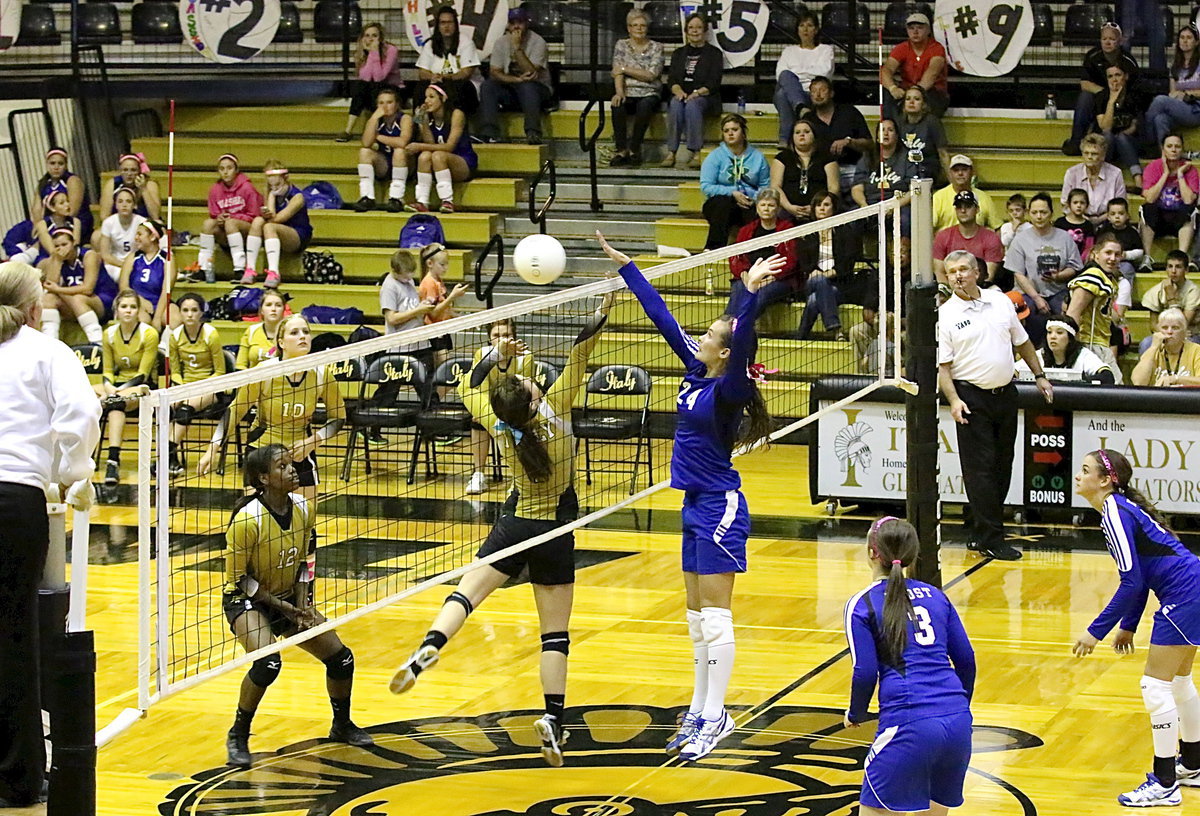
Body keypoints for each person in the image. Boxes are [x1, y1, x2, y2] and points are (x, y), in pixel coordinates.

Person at [389, 284, 615, 769]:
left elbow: (473, 382)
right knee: (555, 635)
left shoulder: (498, 425)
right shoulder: (556, 410)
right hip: (554, 531)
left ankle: (429, 647)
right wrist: (602, 308)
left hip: (513, 524)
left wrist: (496, 354)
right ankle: (554, 720)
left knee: (466, 594)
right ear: (535, 398)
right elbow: (581, 349)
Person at [599, 231, 784, 762]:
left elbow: (743, 341)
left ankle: (716, 714)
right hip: (692, 504)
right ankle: (702, 709)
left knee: (717, 617)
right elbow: (661, 318)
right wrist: (629, 266)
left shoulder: (729, 389)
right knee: (696, 618)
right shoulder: (694, 372)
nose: (697, 336)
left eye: (709, 334)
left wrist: (747, 295)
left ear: (725, 352)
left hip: (721, 504)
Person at [0, 260, 99, 807]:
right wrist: (74, 474)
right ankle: (17, 780)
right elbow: (81, 412)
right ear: (36, 307)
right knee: (15, 637)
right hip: (16, 500)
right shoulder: (46, 350)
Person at [221, 444, 374, 769]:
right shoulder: (248, 520)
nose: (292, 470)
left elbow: (307, 558)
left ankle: (341, 725)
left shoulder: (303, 507)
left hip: (291, 597)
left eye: (291, 464)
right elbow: (238, 580)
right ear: (264, 478)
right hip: (247, 599)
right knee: (268, 665)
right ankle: (238, 734)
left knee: (341, 659)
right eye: (282, 466)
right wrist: (287, 608)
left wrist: (303, 602)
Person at [1072, 448, 1200, 807]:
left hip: (1185, 595)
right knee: (1178, 681)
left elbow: (1130, 582)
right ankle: (1192, 763)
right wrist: (1128, 625)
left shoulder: (1114, 511)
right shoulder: (1117, 510)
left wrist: (1095, 631)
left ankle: (1164, 783)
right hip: (1193, 588)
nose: (1078, 476)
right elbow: (1140, 577)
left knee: (1154, 686)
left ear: (1105, 480)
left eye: (1085, 470)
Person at [843, 517, 975, 816]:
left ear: (872, 553)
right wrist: (957, 708)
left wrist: (855, 713)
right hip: (957, 724)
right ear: (914, 553)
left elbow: (864, 671)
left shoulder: (862, 603)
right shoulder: (937, 597)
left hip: (909, 722)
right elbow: (966, 660)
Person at [938, 250, 1053, 561]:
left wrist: (1039, 375)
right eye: (951, 272)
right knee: (980, 471)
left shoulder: (1000, 300)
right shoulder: (946, 314)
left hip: (1006, 394)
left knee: (1003, 467)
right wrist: (954, 400)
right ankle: (991, 538)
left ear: (978, 272)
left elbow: (1023, 341)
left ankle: (977, 529)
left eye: (963, 269)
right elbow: (943, 368)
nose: (958, 276)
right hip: (970, 398)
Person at [198, 314, 345, 505]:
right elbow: (235, 411)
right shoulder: (265, 371)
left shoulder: (321, 373)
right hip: (263, 453)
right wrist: (212, 449)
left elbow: (339, 418)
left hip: (300, 453)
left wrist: (313, 441)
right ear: (281, 342)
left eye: (306, 332)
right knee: (259, 521)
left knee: (305, 526)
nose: (303, 336)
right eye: (295, 332)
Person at [464, 318, 534, 496]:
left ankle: (517, 479)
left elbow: (523, 392)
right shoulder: (483, 354)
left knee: (517, 425)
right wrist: (485, 413)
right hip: (491, 408)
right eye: (496, 335)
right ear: (489, 338)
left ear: (514, 337)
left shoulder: (525, 356)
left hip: (516, 408)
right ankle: (479, 474)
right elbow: (479, 387)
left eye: (507, 335)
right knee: (477, 421)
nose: (502, 340)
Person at [98, 289, 158, 485]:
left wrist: (116, 392)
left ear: (139, 311)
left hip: (141, 387)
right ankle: (84, 454)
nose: (128, 311)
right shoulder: (109, 334)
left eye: (133, 307)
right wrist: (109, 388)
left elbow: (143, 374)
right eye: (124, 307)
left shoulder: (148, 334)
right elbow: (107, 370)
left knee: (116, 403)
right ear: (116, 310)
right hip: (115, 387)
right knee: (85, 394)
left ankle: (112, 461)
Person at [1007, 193, 1083, 345]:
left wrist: (1058, 276)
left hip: (1058, 290)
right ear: (1029, 213)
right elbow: (1019, 274)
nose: (1039, 216)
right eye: (1034, 213)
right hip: (1028, 292)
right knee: (1028, 311)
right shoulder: (1020, 239)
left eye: (1043, 212)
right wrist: (1036, 298)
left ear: (1051, 214)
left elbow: (1074, 267)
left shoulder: (1065, 237)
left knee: (1068, 313)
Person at [167, 293, 227, 477]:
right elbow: (175, 371)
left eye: (194, 310)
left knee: (185, 409)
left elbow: (220, 371)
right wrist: (183, 388)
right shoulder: (175, 336)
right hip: (186, 386)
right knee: (168, 408)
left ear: (201, 312)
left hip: (211, 388)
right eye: (185, 310)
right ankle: (172, 458)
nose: (190, 315)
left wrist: (200, 387)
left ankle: (166, 457)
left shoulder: (210, 334)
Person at [477, 7, 553, 146]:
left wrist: (517, 48)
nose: (516, 26)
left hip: (538, 89)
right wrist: (517, 79)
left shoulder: (538, 41)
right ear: (508, 25)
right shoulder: (501, 42)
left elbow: (531, 73)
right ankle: (489, 133)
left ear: (527, 23)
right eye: (513, 22)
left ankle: (533, 132)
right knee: (488, 86)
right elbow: (495, 72)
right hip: (512, 88)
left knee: (527, 87)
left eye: (520, 22)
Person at [795, 192, 862, 340]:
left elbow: (848, 264)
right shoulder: (806, 232)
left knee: (814, 300)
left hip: (840, 284)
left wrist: (828, 274)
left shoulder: (845, 231)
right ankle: (835, 328)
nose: (822, 209)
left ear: (834, 208)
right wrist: (816, 273)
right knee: (819, 282)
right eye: (818, 205)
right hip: (811, 281)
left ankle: (801, 336)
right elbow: (803, 263)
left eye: (826, 205)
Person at [1065, 22, 1138, 156]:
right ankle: (1077, 141)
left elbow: (1134, 87)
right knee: (1085, 97)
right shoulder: (1092, 56)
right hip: (1099, 95)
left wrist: (1118, 95)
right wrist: (1107, 94)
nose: (1107, 42)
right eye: (1104, 39)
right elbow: (1085, 84)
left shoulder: (1128, 61)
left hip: (1123, 98)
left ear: (1120, 41)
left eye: (1112, 39)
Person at [662, 13, 723, 169]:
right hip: (682, 95)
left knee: (692, 105)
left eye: (698, 28)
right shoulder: (678, 54)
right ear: (686, 31)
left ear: (705, 31)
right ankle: (672, 152)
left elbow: (714, 83)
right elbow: (672, 80)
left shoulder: (714, 54)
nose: (695, 31)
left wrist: (697, 93)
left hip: (705, 96)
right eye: (691, 28)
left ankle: (696, 151)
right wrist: (678, 91)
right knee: (675, 104)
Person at [703, 114, 772, 250]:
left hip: (749, 202)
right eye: (726, 131)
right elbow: (706, 186)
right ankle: (713, 249)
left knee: (757, 211)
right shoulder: (715, 156)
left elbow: (765, 185)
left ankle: (754, 252)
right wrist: (732, 193)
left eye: (734, 129)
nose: (730, 133)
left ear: (744, 133)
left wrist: (754, 198)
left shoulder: (758, 157)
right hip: (720, 203)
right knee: (724, 205)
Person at [405, 84, 477, 214]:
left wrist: (419, 146)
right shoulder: (429, 116)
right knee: (424, 156)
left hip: (463, 162)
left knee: (438, 155)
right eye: (426, 97)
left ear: (443, 98)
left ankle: (447, 200)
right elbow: (430, 143)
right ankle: (422, 201)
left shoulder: (456, 114)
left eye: (431, 97)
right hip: (439, 163)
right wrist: (424, 123)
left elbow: (449, 146)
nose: (427, 101)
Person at [38, 226, 116, 344]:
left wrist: (58, 289)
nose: (61, 249)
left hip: (103, 300)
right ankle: (51, 343)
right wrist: (57, 261)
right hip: (75, 302)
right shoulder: (57, 258)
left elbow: (88, 289)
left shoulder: (89, 255)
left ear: (74, 242)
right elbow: (50, 285)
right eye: (57, 246)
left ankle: (97, 343)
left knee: (78, 299)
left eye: (64, 244)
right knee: (48, 299)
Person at [727, 188, 799, 315]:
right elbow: (735, 258)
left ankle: (739, 328)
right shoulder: (746, 230)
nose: (766, 209)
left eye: (771, 205)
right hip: (748, 277)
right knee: (738, 290)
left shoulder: (787, 229)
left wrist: (767, 279)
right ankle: (727, 329)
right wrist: (745, 276)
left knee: (759, 296)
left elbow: (791, 261)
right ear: (757, 207)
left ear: (777, 209)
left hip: (777, 279)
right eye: (763, 205)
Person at [193, 154, 262, 285]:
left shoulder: (247, 188)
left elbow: (254, 215)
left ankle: (240, 269)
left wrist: (233, 217)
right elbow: (213, 214)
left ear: (236, 170)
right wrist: (219, 218)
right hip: (227, 229)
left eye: (229, 168)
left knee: (231, 223)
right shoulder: (215, 190)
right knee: (207, 224)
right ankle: (204, 268)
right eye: (222, 168)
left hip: (247, 229)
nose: (225, 172)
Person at [609, 9, 663, 168]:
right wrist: (619, 92)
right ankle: (621, 150)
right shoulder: (621, 45)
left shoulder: (656, 47)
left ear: (647, 28)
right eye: (635, 25)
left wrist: (626, 69)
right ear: (629, 28)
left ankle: (634, 149)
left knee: (645, 106)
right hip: (626, 90)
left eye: (643, 25)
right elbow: (616, 72)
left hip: (649, 91)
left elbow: (651, 75)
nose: (639, 28)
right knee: (617, 104)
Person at [243, 160, 311, 288]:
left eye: (278, 185)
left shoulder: (297, 197)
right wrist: (270, 196)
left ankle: (274, 272)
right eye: (271, 186)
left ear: (286, 178)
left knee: (269, 226)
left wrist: (271, 198)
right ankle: (250, 269)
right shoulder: (269, 192)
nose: (274, 189)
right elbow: (269, 217)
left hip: (297, 234)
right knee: (257, 221)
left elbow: (277, 219)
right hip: (276, 231)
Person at [1066, 232, 1124, 382]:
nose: (1113, 258)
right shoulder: (1093, 276)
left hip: (1101, 343)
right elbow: (1072, 313)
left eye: (1117, 254)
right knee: (1115, 392)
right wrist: (1071, 346)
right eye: (1108, 253)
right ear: (1095, 254)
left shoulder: (1107, 277)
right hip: (1089, 344)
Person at [800, 76, 871, 199]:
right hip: (822, 172)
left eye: (822, 90)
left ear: (831, 93)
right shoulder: (808, 119)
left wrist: (849, 142)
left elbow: (870, 144)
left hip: (852, 168)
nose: (818, 94)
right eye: (813, 91)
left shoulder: (850, 112)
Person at [774, 13, 835, 147]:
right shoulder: (789, 51)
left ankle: (785, 139)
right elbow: (780, 74)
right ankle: (800, 107)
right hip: (794, 90)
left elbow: (823, 73)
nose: (805, 29)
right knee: (785, 76)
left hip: (812, 93)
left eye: (809, 25)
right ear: (797, 30)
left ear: (816, 29)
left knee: (782, 94)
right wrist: (807, 73)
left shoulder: (825, 50)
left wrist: (796, 74)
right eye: (802, 26)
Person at [337, 22, 404, 143]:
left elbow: (380, 77)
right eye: (367, 36)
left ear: (380, 38)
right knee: (361, 86)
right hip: (371, 89)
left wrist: (374, 53)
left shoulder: (391, 50)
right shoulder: (361, 53)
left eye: (374, 35)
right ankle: (348, 130)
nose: (370, 39)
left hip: (392, 89)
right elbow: (365, 77)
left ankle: (376, 129)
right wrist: (369, 55)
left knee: (373, 85)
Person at [354, 87, 414, 213]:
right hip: (385, 163)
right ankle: (367, 197)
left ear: (397, 104)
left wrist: (378, 137)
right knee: (365, 152)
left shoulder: (404, 118)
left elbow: (402, 142)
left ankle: (396, 198)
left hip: (406, 163)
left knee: (399, 151)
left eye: (389, 102)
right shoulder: (376, 120)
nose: (385, 106)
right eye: (381, 103)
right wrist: (373, 119)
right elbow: (366, 143)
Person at [850, 118, 915, 235]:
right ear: (877, 136)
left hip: (898, 204)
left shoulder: (907, 158)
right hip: (870, 204)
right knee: (852, 219)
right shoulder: (867, 157)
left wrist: (893, 206)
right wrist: (864, 205)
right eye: (882, 130)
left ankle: (904, 252)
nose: (885, 133)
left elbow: (912, 190)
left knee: (907, 219)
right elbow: (857, 188)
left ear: (897, 135)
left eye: (890, 130)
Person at [879, 12, 948, 120]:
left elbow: (932, 72)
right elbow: (886, 70)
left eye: (920, 28)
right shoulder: (901, 48)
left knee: (931, 100)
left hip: (931, 92)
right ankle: (891, 127)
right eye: (911, 28)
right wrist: (893, 88)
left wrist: (917, 91)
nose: (915, 31)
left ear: (928, 30)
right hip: (907, 90)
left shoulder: (936, 48)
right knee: (887, 94)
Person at [1141, 133, 1198, 259]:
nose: (1173, 149)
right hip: (1158, 219)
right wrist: (1165, 174)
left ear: (1182, 149)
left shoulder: (1190, 170)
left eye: (1177, 146)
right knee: (1146, 208)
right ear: (1163, 149)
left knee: (1190, 210)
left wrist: (1180, 175)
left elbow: (1189, 200)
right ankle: (1147, 257)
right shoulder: (1153, 167)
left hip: (1179, 219)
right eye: (1169, 146)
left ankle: (1181, 257)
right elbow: (1149, 198)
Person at [416, 5, 482, 115]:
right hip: (437, 83)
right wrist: (433, 77)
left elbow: (466, 73)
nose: (446, 26)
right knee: (420, 88)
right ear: (438, 25)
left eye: (450, 22)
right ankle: (419, 124)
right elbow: (422, 72)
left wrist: (446, 77)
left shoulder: (466, 42)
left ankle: (456, 127)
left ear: (455, 24)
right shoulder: (430, 44)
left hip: (462, 84)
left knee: (456, 89)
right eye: (443, 23)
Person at [418, 242, 470, 379]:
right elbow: (433, 312)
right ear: (430, 263)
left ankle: (434, 400)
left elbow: (442, 308)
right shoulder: (429, 283)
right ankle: (434, 400)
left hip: (442, 330)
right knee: (446, 372)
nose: (446, 268)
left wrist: (456, 316)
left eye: (447, 264)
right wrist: (452, 296)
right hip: (434, 334)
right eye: (442, 264)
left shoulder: (438, 281)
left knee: (444, 373)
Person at [1014, 313, 1115, 384]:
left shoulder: (1083, 355)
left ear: (1070, 338)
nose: (1052, 337)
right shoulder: (1040, 354)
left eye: (1059, 332)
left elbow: (1107, 376)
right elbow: (1013, 372)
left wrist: (1080, 381)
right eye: (1049, 332)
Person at [771, 119, 838, 224]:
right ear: (792, 137)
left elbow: (833, 188)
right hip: (787, 209)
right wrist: (789, 207)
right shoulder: (782, 158)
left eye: (806, 132)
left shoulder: (827, 158)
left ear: (815, 136)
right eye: (797, 132)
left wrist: (814, 207)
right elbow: (775, 186)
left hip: (819, 210)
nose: (802, 135)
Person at [118, 220, 178, 333]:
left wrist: (157, 317)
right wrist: (141, 301)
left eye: (140, 234)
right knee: (141, 321)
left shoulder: (167, 259)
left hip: (160, 302)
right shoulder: (132, 258)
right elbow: (123, 287)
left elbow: (167, 290)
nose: (136, 238)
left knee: (174, 319)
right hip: (136, 302)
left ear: (152, 237)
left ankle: (164, 348)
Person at [933, 190, 1003, 285]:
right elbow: (939, 273)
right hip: (950, 291)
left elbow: (987, 276)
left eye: (968, 206)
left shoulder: (991, 238)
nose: (963, 210)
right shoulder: (942, 236)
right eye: (959, 207)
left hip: (981, 291)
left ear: (977, 209)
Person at [1145, 25, 1200, 146]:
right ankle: (1164, 155)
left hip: (1196, 109)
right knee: (1160, 119)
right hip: (1180, 107)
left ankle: (1146, 140)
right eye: (1182, 37)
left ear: (1197, 42)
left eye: (1189, 38)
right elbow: (1172, 92)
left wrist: (1187, 93)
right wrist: (1176, 95)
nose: (1185, 41)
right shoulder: (1175, 65)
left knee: (1160, 100)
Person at [1092, 63, 1144, 191]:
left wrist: (1121, 136)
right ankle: (1104, 179)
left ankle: (1138, 179)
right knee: (1108, 136)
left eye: (1117, 75)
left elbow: (1134, 126)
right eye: (1110, 76)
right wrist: (1111, 101)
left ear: (1125, 76)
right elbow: (1105, 127)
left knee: (1121, 137)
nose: (1114, 79)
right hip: (1109, 146)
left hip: (1129, 144)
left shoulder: (1134, 96)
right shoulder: (1101, 97)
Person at [1062, 133, 1128, 224]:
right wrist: (1084, 219)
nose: (1089, 157)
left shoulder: (1116, 174)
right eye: (1086, 153)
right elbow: (1065, 204)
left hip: (1108, 221)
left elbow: (1121, 204)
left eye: (1094, 154)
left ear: (1103, 156)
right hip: (1078, 220)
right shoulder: (1072, 173)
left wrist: (1100, 220)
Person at [31, 147, 93, 243]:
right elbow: (36, 211)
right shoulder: (43, 183)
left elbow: (72, 212)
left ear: (66, 165)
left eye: (60, 163)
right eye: (52, 163)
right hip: (51, 223)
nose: (56, 167)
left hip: (73, 224)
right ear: (47, 164)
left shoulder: (72, 181)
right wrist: (38, 227)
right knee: (23, 231)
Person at [1141, 250, 1200, 348]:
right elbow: (1153, 324)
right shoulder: (1157, 290)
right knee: (1146, 343)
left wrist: (1171, 298)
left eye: (1178, 267)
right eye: (1170, 266)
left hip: (1190, 334)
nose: (1173, 271)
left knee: (1192, 343)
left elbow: (1183, 323)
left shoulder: (1193, 291)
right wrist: (1166, 333)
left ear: (1186, 270)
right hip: (1164, 333)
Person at [1131, 307, 1200, 386]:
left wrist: (1175, 379)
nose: (1169, 332)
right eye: (1164, 328)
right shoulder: (1153, 351)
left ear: (1184, 332)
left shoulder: (1196, 350)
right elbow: (1138, 382)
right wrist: (1153, 347)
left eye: (1175, 328)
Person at [897, 86, 949, 184]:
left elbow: (943, 153)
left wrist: (952, 182)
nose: (911, 102)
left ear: (924, 105)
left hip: (926, 168)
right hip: (903, 169)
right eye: (908, 99)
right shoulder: (898, 123)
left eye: (917, 99)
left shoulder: (932, 122)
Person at [932, 155, 997, 231]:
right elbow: (927, 228)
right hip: (946, 242)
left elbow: (997, 227)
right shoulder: (938, 197)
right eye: (956, 170)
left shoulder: (984, 198)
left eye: (964, 170)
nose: (960, 173)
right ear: (950, 173)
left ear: (972, 172)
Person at [97, 187, 148, 283]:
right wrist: (123, 265)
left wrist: (133, 265)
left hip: (137, 263)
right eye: (120, 201)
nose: (124, 205)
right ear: (115, 205)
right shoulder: (108, 223)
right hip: (115, 264)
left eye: (128, 201)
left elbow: (147, 249)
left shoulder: (142, 222)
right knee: (112, 274)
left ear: (134, 205)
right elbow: (105, 254)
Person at [1097, 197, 1148, 288]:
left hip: (1124, 263)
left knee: (1127, 269)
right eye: (1113, 214)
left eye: (1121, 213)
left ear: (1127, 215)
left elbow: (1140, 252)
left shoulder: (1132, 232)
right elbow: (1097, 247)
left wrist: (1126, 255)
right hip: (1105, 262)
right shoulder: (1103, 230)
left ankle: (1123, 295)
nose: (1117, 217)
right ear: (1108, 217)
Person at [96, 152, 160, 224]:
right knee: (97, 234)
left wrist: (143, 189)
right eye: (125, 170)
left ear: (139, 171)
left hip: (144, 226)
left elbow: (155, 216)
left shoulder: (149, 184)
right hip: (119, 225)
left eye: (133, 170)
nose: (129, 174)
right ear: (120, 170)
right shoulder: (112, 184)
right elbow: (104, 216)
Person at [237, 289, 288, 370]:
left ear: (284, 310)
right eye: (268, 305)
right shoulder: (251, 331)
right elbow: (240, 365)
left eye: (278, 305)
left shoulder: (291, 332)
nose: (273, 309)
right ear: (262, 310)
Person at [32, 190, 80, 256]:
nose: (67, 205)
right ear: (52, 208)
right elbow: (51, 251)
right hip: (48, 257)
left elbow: (75, 243)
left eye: (68, 201)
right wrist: (59, 255)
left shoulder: (75, 221)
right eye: (62, 203)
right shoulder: (43, 224)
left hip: (71, 255)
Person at [1055, 188, 1097, 260]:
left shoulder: (1088, 225)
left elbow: (1089, 247)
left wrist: (1080, 261)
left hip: (1081, 262)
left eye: (1082, 203)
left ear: (1087, 205)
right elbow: (1055, 243)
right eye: (1075, 202)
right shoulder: (1060, 223)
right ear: (1069, 204)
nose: (1079, 205)